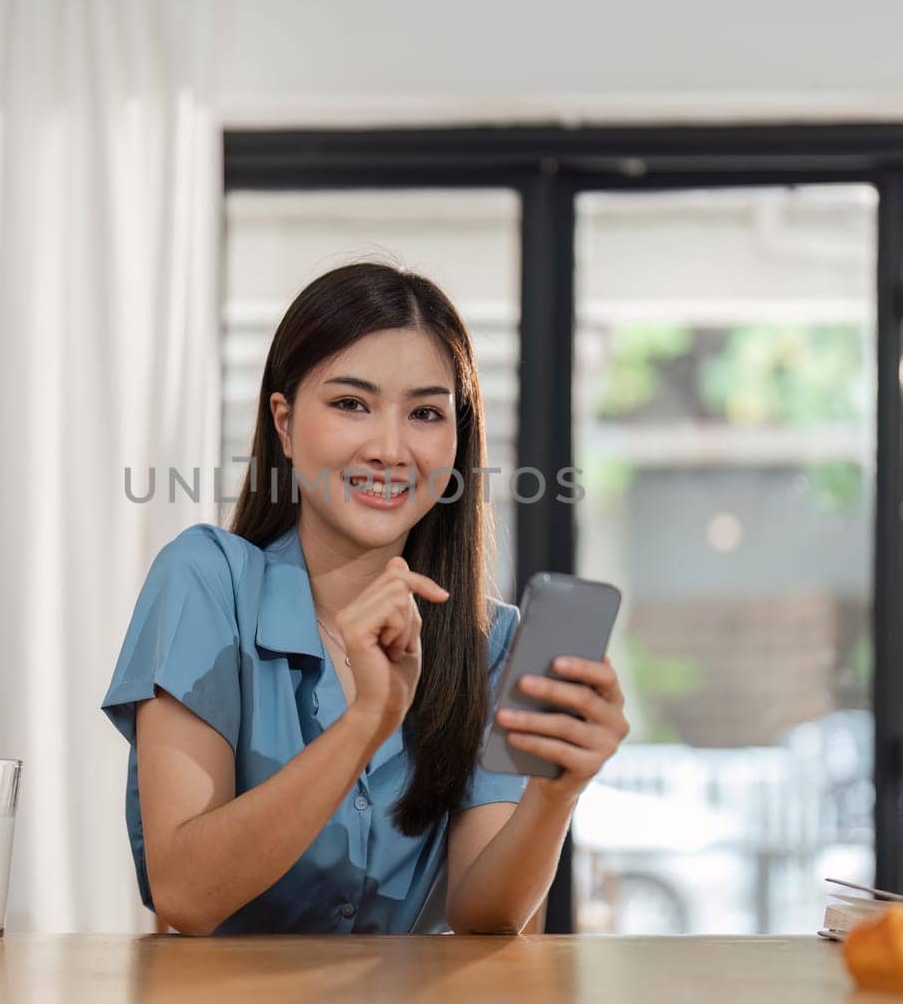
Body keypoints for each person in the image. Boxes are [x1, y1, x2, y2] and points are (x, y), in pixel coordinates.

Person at [101, 262, 628, 935]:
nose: (389, 447)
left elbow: (483, 914)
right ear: (285, 425)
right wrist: (366, 721)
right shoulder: (206, 582)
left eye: (426, 413)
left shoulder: (490, 643)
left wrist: (557, 792)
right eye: (352, 403)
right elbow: (185, 891)